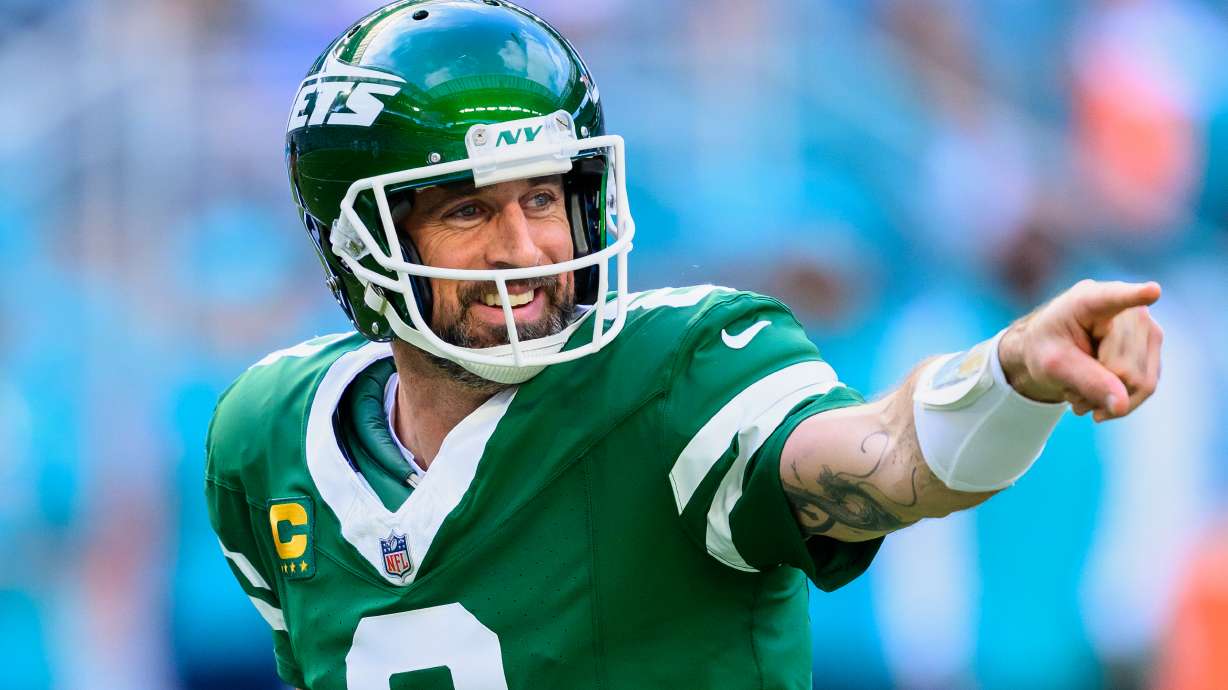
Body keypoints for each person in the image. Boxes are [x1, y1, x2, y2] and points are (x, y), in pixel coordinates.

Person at [204, 2, 1164, 688]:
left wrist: (1008, 377)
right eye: (468, 210)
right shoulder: (268, 437)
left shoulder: (676, 375)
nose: (529, 245)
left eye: (544, 196)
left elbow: (893, 461)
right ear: (362, 242)